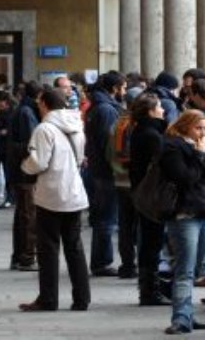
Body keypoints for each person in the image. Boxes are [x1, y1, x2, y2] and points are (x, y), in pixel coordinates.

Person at [18, 88, 90, 312]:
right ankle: (82, 299)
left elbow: (39, 162)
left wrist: (24, 165)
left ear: (45, 104)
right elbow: (79, 159)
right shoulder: (77, 126)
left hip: (51, 194)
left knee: (48, 248)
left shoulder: (44, 129)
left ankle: (48, 299)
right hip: (74, 192)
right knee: (74, 247)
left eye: (39, 103)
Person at [159, 110, 205, 334]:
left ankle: (188, 314)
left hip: (203, 213)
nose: (202, 133)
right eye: (198, 128)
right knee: (184, 270)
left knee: (195, 267)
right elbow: (184, 179)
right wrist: (199, 156)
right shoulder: (172, 146)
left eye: (204, 128)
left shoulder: (199, 147)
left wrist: (203, 155)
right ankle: (180, 318)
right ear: (185, 126)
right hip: (184, 215)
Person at [128, 93, 169, 305]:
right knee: (152, 242)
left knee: (149, 241)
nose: (163, 110)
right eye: (160, 107)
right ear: (151, 111)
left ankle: (149, 288)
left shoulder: (141, 130)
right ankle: (150, 291)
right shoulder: (152, 134)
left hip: (142, 191)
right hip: (152, 194)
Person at [84, 71, 127, 276]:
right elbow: (109, 144)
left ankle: (100, 260)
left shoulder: (97, 107)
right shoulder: (107, 110)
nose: (124, 92)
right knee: (106, 218)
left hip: (98, 169)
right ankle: (101, 262)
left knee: (103, 216)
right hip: (106, 172)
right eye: (123, 88)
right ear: (115, 88)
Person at [6, 80, 43, 271]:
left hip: (19, 171)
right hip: (26, 172)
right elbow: (32, 144)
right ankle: (27, 256)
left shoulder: (22, 110)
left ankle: (19, 255)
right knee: (28, 215)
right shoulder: (27, 113)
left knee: (23, 215)